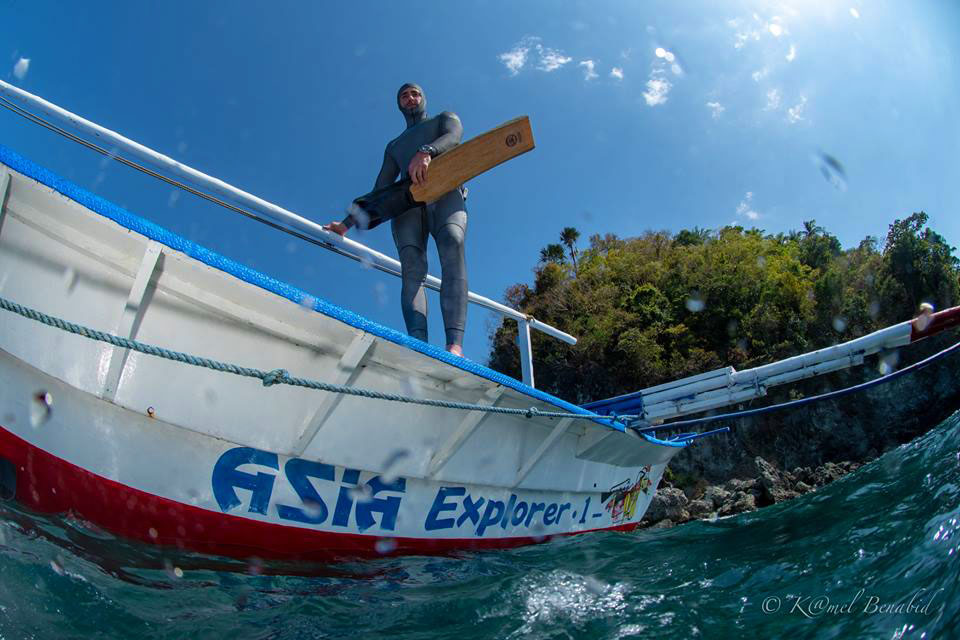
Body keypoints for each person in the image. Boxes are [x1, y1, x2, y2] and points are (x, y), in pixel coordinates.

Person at [326, 83, 468, 357]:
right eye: (404, 95)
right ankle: (418, 345)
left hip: (446, 191)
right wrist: (345, 224)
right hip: (408, 203)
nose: (411, 98)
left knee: (453, 241)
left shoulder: (444, 119)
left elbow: (455, 137)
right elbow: (380, 189)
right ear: (399, 105)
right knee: (412, 268)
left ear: (423, 98)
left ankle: (454, 345)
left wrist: (426, 151)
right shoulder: (393, 147)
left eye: (415, 93)